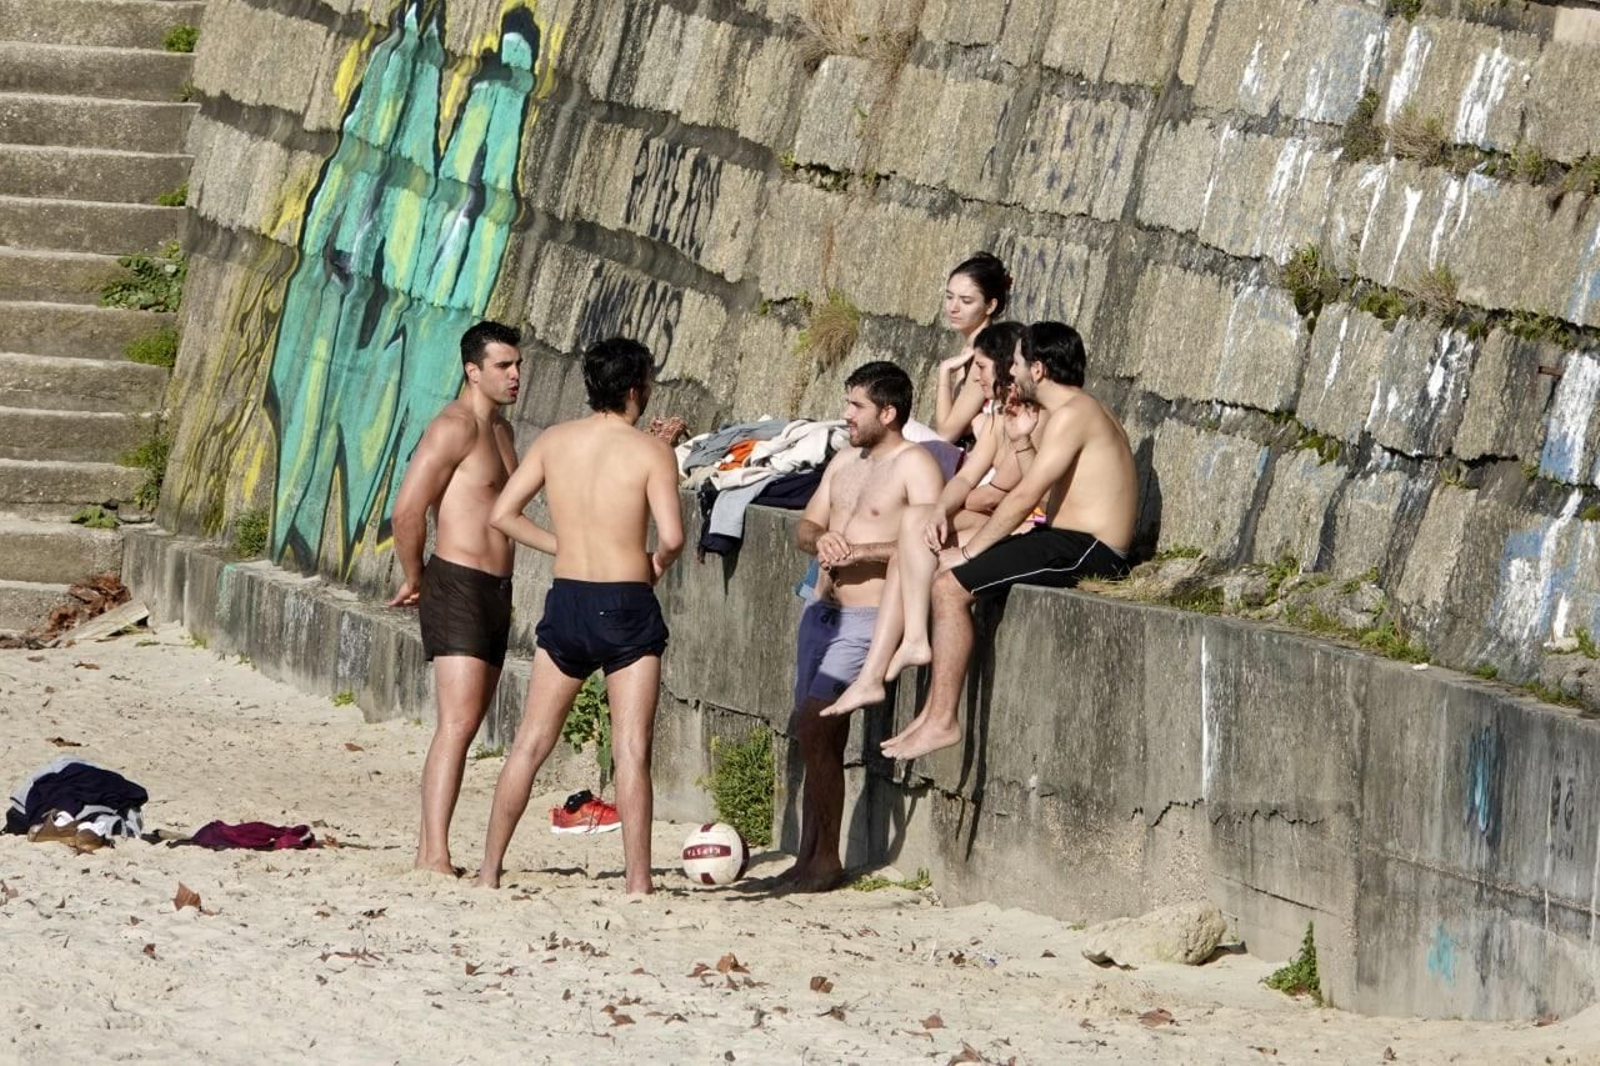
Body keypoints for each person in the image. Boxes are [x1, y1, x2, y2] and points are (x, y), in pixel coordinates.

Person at [474, 337, 683, 895]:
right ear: (637, 388)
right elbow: (673, 536)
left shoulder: (554, 440)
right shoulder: (651, 452)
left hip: (567, 597)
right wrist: (652, 565)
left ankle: (489, 869)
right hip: (626, 603)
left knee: (531, 741)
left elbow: (503, 514)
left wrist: (561, 543)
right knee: (631, 747)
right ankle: (638, 881)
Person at [882, 322, 1138, 762]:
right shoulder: (1073, 412)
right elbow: (1042, 484)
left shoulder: (1076, 413)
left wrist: (970, 550)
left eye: (1017, 362)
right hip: (1065, 538)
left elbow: (1022, 498)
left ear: (1037, 369)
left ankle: (943, 719)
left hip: (1090, 548)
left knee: (950, 584)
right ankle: (932, 713)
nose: (1011, 372)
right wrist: (1020, 442)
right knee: (945, 571)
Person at [820, 322, 1037, 719]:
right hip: (996, 515)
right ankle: (908, 646)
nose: (975, 378)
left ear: (1007, 368)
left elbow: (1009, 494)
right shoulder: (994, 421)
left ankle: (900, 655)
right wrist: (939, 509)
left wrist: (966, 510)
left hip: (1026, 525)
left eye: (983, 369)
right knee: (918, 526)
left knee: (917, 539)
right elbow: (969, 480)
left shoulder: (1030, 421)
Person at [786, 362, 944, 891]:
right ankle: (811, 857)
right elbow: (806, 525)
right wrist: (822, 541)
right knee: (815, 737)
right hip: (820, 610)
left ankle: (824, 858)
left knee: (815, 721)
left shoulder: (914, 465)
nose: (846, 415)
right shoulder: (843, 462)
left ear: (888, 412)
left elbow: (925, 542)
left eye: (856, 406)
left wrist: (859, 551)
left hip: (866, 618)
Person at [386, 320, 523, 877]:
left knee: (471, 724)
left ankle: (431, 849)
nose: (515, 375)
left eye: (517, 365)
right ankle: (434, 854)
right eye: (502, 366)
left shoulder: (504, 433)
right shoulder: (453, 427)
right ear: (473, 370)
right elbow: (407, 509)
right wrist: (414, 574)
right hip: (457, 582)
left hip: (496, 589)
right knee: (458, 723)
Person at [932, 252, 1012, 443]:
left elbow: (946, 434)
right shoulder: (970, 349)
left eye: (966, 301)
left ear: (990, 306)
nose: (953, 308)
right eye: (949, 297)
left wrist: (944, 372)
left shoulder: (985, 355)